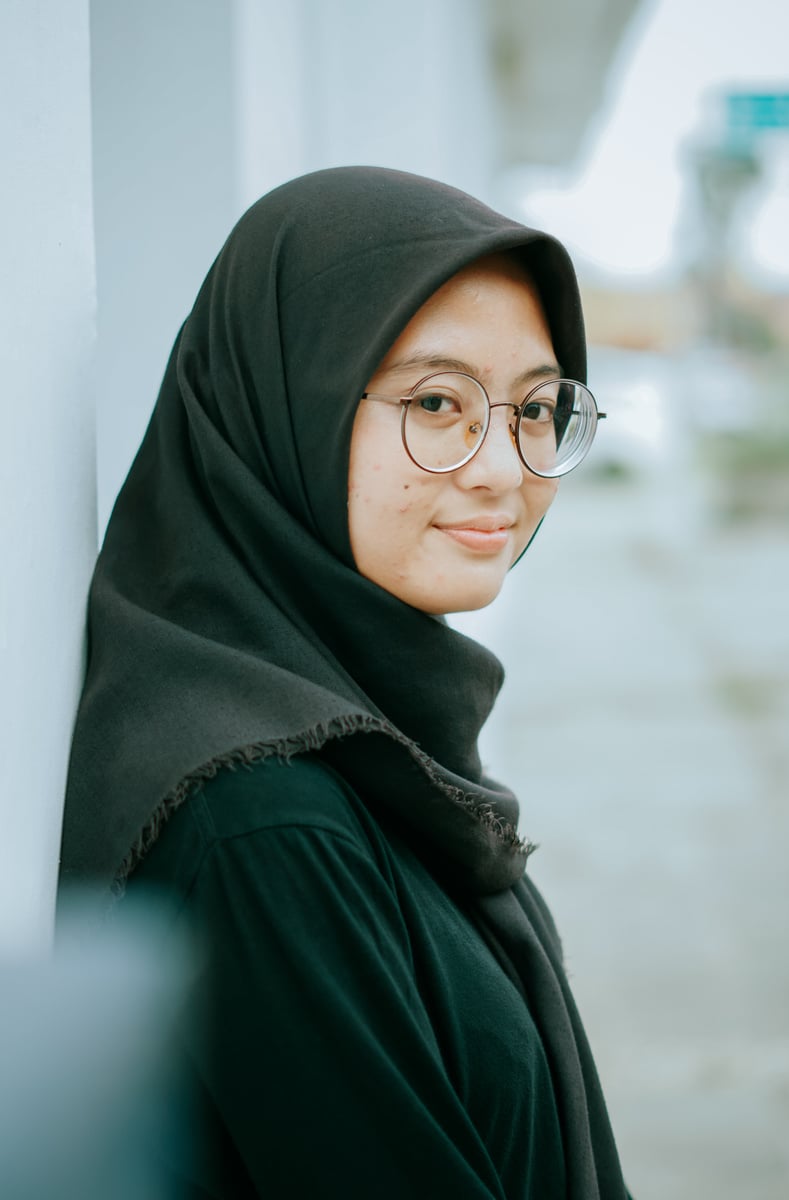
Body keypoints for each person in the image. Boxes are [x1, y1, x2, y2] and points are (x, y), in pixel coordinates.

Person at [59, 166, 629, 1198]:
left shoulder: (372, 742)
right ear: (285, 405)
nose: (501, 467)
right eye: (436, 401)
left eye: (537, 408)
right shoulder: (262, 822)